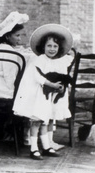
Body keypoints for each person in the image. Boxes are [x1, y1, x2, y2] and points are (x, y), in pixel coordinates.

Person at [13, 24, 73, 160]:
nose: (52, 49)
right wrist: (51, 84)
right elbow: (38, 77)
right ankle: (34, 148)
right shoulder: (39, 60)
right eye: (49, 46)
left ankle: (46, 147)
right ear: (43, 47)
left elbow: (61, 77)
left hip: (47, 96)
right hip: (37, 95)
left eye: (55, 46)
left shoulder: (57, 62)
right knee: (36, 121)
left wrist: (61, 87)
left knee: (45, 120)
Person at [0, 11, 29, 142]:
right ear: (7, 36)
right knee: (26, 94)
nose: (20, 39)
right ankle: (19, 134)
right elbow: (10, 78)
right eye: (17, 36)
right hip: (2, 88)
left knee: (16, 97)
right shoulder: (10, 53)